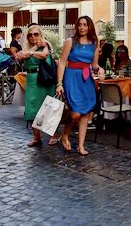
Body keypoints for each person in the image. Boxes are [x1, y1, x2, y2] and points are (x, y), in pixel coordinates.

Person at [56, 16, 103, 156]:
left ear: (89, 27)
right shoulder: (70, 41)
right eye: (80, 25)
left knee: (86, 112)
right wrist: (59, 83)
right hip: (71, 78)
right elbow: (62, 62)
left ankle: (81, 146)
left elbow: (94, 65)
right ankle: (65, 134)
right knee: (75, 113)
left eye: (85, 25)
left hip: (86, 78)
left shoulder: (95, 43)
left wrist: (99, 69)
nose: (82, 27)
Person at [16, 25, 58, 147]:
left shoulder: (46, 44)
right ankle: (36, 137)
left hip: (44, 79)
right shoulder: (28, 46)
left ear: (40, 34)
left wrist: (29, 53)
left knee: (48, 107)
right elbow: (20, 56)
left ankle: (53, 135)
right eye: (30, 34)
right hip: (31, 79)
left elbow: (44, 55)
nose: (33, 36)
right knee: (31, 108)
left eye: (36, 34)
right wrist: (33, 50)